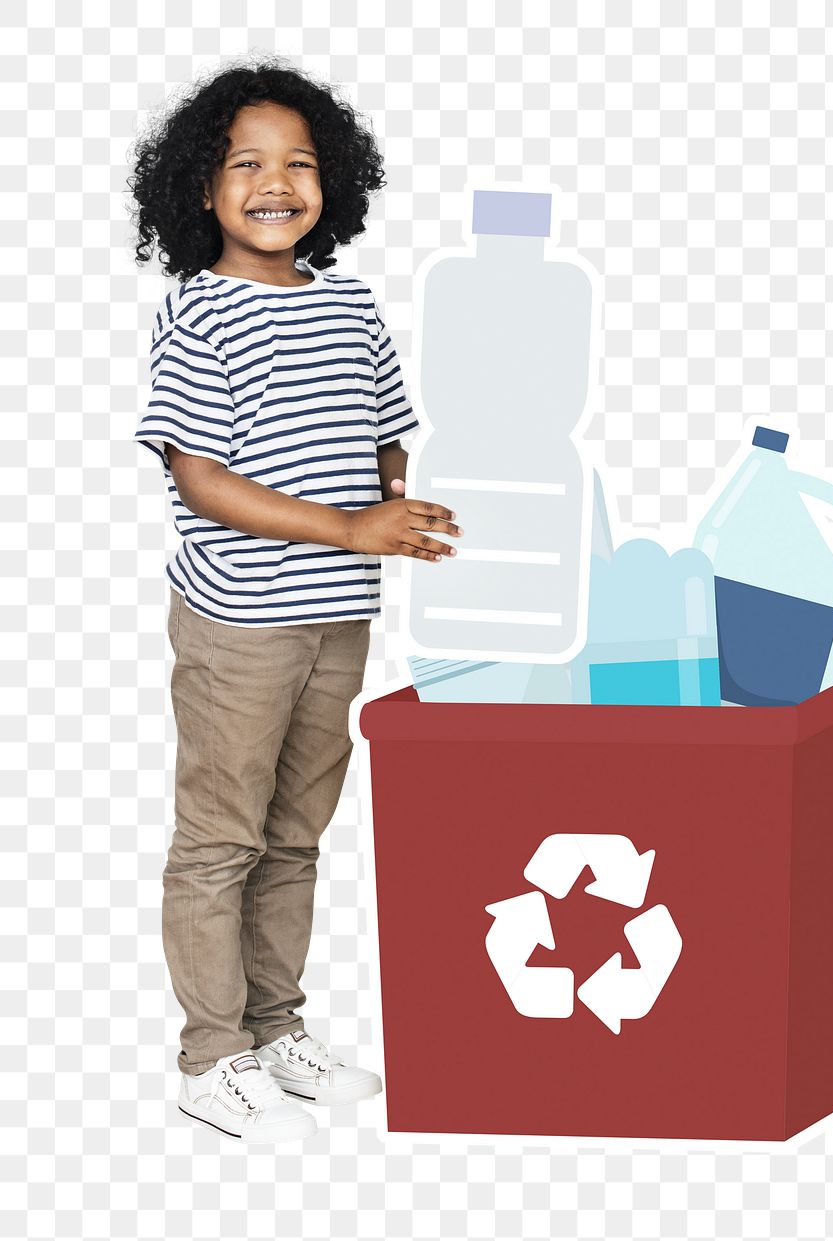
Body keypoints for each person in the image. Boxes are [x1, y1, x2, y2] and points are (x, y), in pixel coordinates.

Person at [127, 56, 462, 1144]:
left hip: (337, 616)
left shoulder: (351, 304)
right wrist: (354, 526)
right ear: (201, 188)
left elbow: (383, 433)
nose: (277, 183)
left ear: (335, 183)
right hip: (240, 622)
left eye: (300, 164)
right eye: (247, 165)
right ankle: (209, 1054)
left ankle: (275, 1029)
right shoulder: (200, 315)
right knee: (222, 837)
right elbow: (200, 478)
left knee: (295, 835)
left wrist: (400, 506)